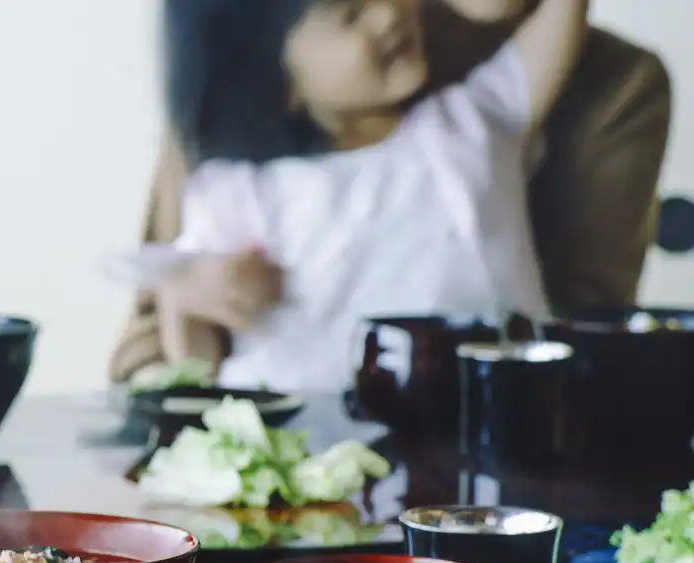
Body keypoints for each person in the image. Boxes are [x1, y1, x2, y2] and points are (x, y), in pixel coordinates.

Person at [109, 0, 671, 386]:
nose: (385, 13)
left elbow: (556, 30)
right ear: (279, 85)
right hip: (298, 442)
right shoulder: (236, 183)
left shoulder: (471, 122)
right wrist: (186, 296)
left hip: (487, 419)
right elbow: (188, 353)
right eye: (351, 13)